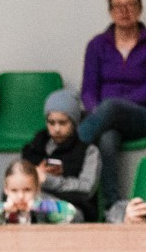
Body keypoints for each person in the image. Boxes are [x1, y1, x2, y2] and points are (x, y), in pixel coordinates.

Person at [79, 0, 146, 216]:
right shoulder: (97, 45)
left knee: (111, 107)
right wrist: (98, 111)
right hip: (105, 118)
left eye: (130, 5)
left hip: (142, 116)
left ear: (140, 9)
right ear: (110, 12)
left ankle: (69, 149)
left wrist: (115, 106)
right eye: (117, 6)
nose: (124, 11)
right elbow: (88, 90)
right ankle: (112, 207)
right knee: (107, 139)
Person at [19, 89, 101, 222]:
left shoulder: (89, 151)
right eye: (51, 123)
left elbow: (86, 189)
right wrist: (33, 176)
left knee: (35, 202)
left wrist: (46, 180)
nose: (56, 129)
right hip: (35, 204)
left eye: (63, 123)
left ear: (74, 123)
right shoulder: (34, 147)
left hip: (74, 209)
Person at [0, 158, 80, 225]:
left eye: (27, 190)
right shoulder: (2, 210)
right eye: (14, 190)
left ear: (36, 189)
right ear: (6, 189)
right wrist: (2, 208)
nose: (20, 196)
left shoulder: (43, 208)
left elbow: (71, 213)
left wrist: (38, 206)